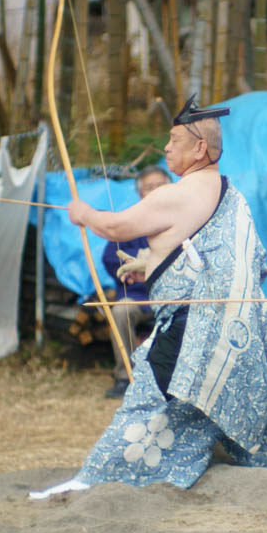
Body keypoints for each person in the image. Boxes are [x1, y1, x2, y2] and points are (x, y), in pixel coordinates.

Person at [31, 97, 267, 498]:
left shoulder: (178, 193)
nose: (166, 148)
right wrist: (151, 262)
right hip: (236, 321)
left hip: (194, 326)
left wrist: (83, 214)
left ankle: (94, 478)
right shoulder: (224, 189)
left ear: (199, 148)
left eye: (174, 141)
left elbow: (115, 227)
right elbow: (201, 256)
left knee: (150, 398)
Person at [98, 166, 172, 398]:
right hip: (139, 296)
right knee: (121, 311)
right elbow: (110, 257)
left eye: (160, 185)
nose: (155, 190)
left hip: (174, 295)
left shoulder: (184, 216)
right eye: (149, 187)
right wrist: (136, 264)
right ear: (141, 194)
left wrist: (155, 261)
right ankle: (125, 377)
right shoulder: (130, 221)